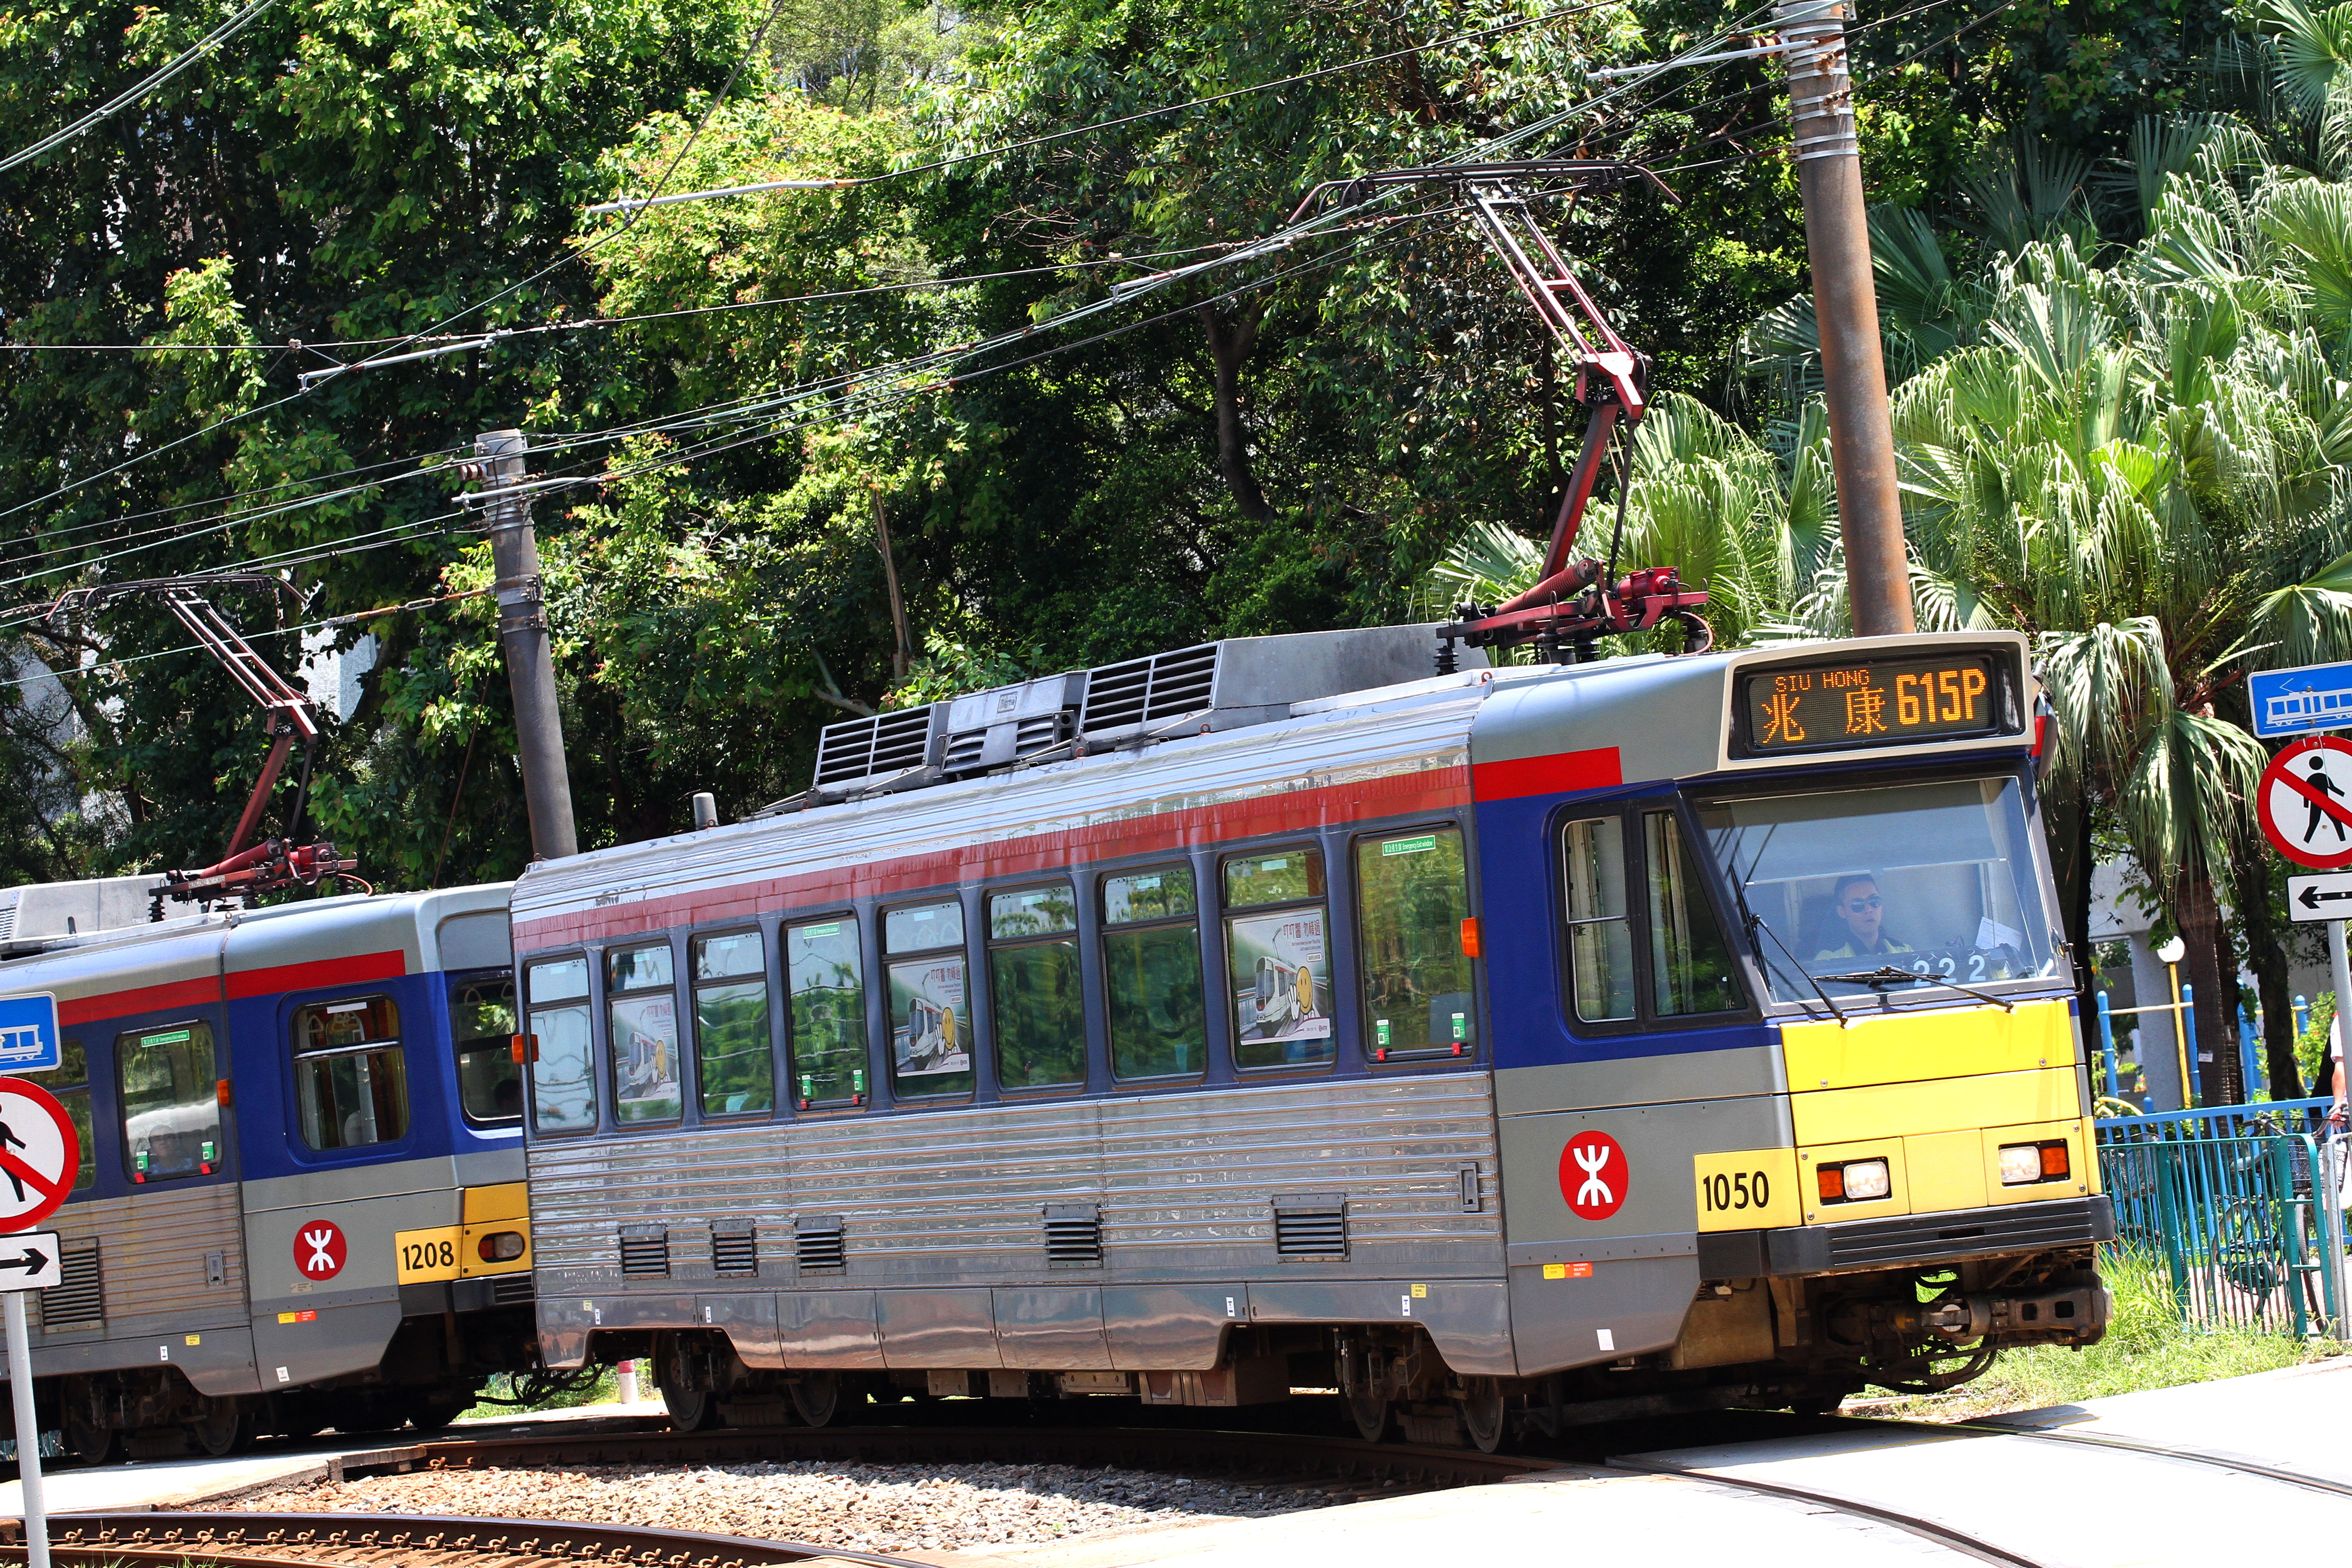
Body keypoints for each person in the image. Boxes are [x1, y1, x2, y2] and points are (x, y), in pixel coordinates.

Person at [1813, 873, 1914, 962]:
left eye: (1874, 901)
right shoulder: (1829, 958)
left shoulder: (1904, 951)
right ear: (1842, 912)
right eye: (1858, 904)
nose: (1869, 909)